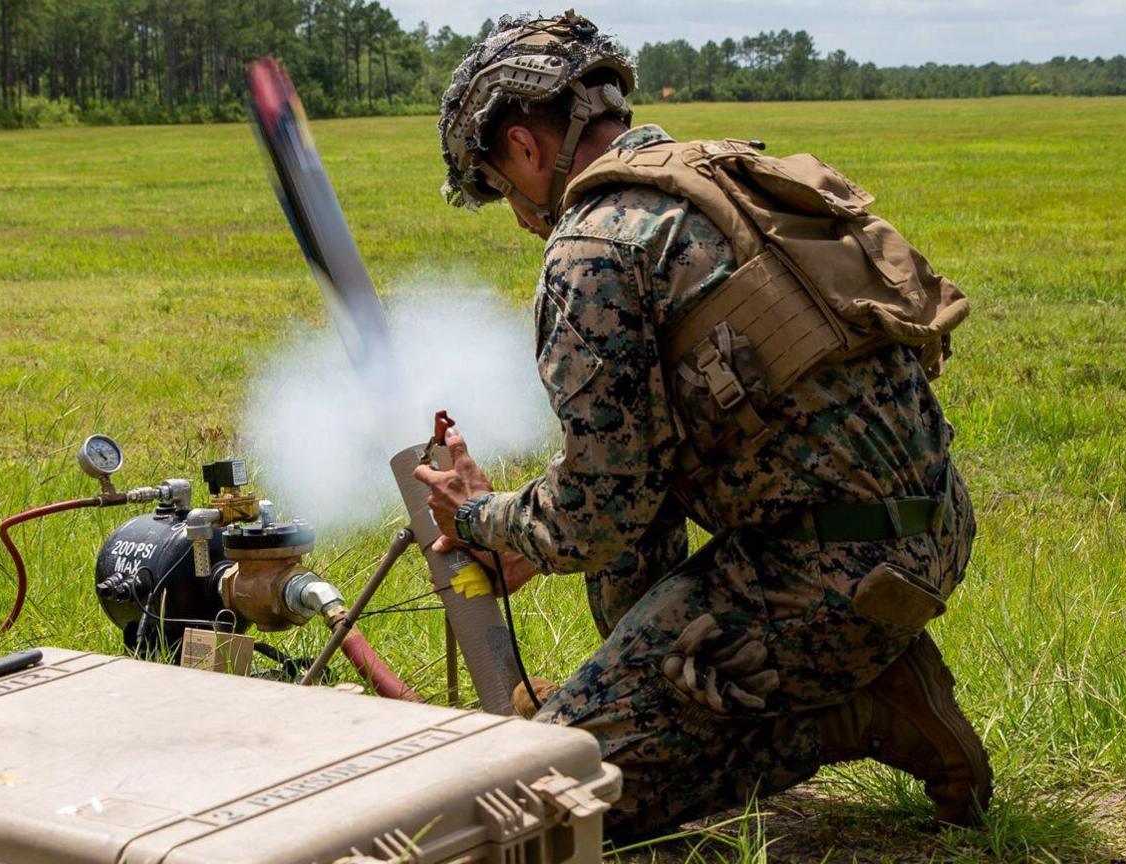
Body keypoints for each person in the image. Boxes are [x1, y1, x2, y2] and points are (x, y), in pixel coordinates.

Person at [413, 10, 991, 841]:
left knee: (537, 808)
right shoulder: (720, 179)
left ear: (525, 148)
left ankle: (856, 711)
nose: (517, 215)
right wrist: (535, 531)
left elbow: (600, 515)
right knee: (622, 632)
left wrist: (479, 518)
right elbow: (634, 476)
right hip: (925, 534)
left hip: (830, 578)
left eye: (502, 186)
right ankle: (690, 703)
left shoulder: (592, 246)